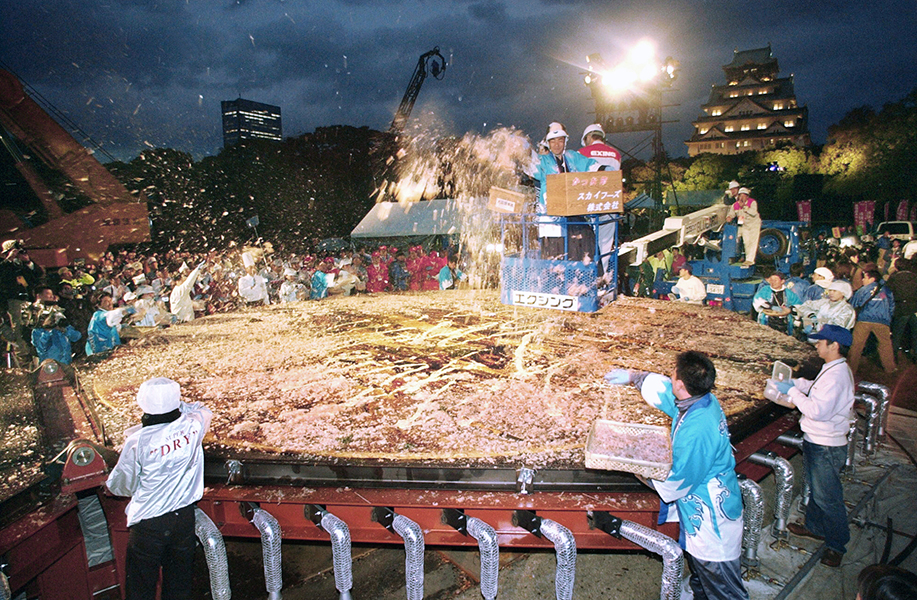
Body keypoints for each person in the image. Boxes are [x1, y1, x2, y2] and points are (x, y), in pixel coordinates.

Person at [604, 351, 748, 600]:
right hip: (704, 511)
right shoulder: (701, 402)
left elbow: (676, 482)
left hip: (712, 521)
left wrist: (634, 465)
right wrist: (634, 377)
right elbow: (667, 397)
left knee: (724, 588)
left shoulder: (698, 429)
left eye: (673, 375)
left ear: (681, 384)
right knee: (703, 581)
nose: (670, 378)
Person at [106, 378, 212, 600]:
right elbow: (202, 408)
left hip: (149, 525)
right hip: (183, 520)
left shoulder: (138, 441)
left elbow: (120, 486)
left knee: (141, 588)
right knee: (179, 587)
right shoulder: (194, 425)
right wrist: (177, 405)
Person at [764, 324, 856, 568]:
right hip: (819, 441)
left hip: (826, 444)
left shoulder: (836, 377)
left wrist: (792, 392)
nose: (816, 345)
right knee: (818, 489)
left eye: (820, 342)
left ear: (833, 345)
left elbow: (817, 411)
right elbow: (815, 387)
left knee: (828, 498)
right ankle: (815, 527)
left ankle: (837, 544)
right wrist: (795, 383)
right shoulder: (833, 367)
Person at [530, 122, 596, 259]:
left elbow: (593, 167)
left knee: (585, 248)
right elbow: (528, 165)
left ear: (565, 140)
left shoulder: (573, 157)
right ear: (547, 142)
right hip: (551, 219)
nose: (557, 144)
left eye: (560, 139)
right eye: (552, 141)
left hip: (575, 215)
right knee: (556, 261)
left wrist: (607, 169)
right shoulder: (542, 161)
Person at [849, 267, 896, 374]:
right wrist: (888, 317)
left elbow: (854, 303)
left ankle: (851, 370)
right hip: (882, 321)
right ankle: (890, 368)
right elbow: (892, 305)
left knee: (856, 346)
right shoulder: (886, 289)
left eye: (865, 277)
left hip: (864, 320)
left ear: (872, 279)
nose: (862, 280)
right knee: (885, 345)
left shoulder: (863, 290)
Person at [86, 291, 134, 357]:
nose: (110, 303)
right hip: (102, 351)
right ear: (98, 305)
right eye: (106, 301)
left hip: (111, 350)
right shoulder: (99, 315)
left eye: (110, 300)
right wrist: (132, 309)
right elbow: (115, 314)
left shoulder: (106, 315)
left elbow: (117, 328)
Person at [726, 187, 761, 266]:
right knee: (746, 242)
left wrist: (744, 207)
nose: (742, 197)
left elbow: (753, 213)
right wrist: (729, 217)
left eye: (744, 195)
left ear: (747, 197)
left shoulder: (752, 202)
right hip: (744, 225)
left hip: (754, 225)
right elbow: (731, 214)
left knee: (753, 242)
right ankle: (746, 258)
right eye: (740, 195)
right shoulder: (735, 205)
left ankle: (750, 260)